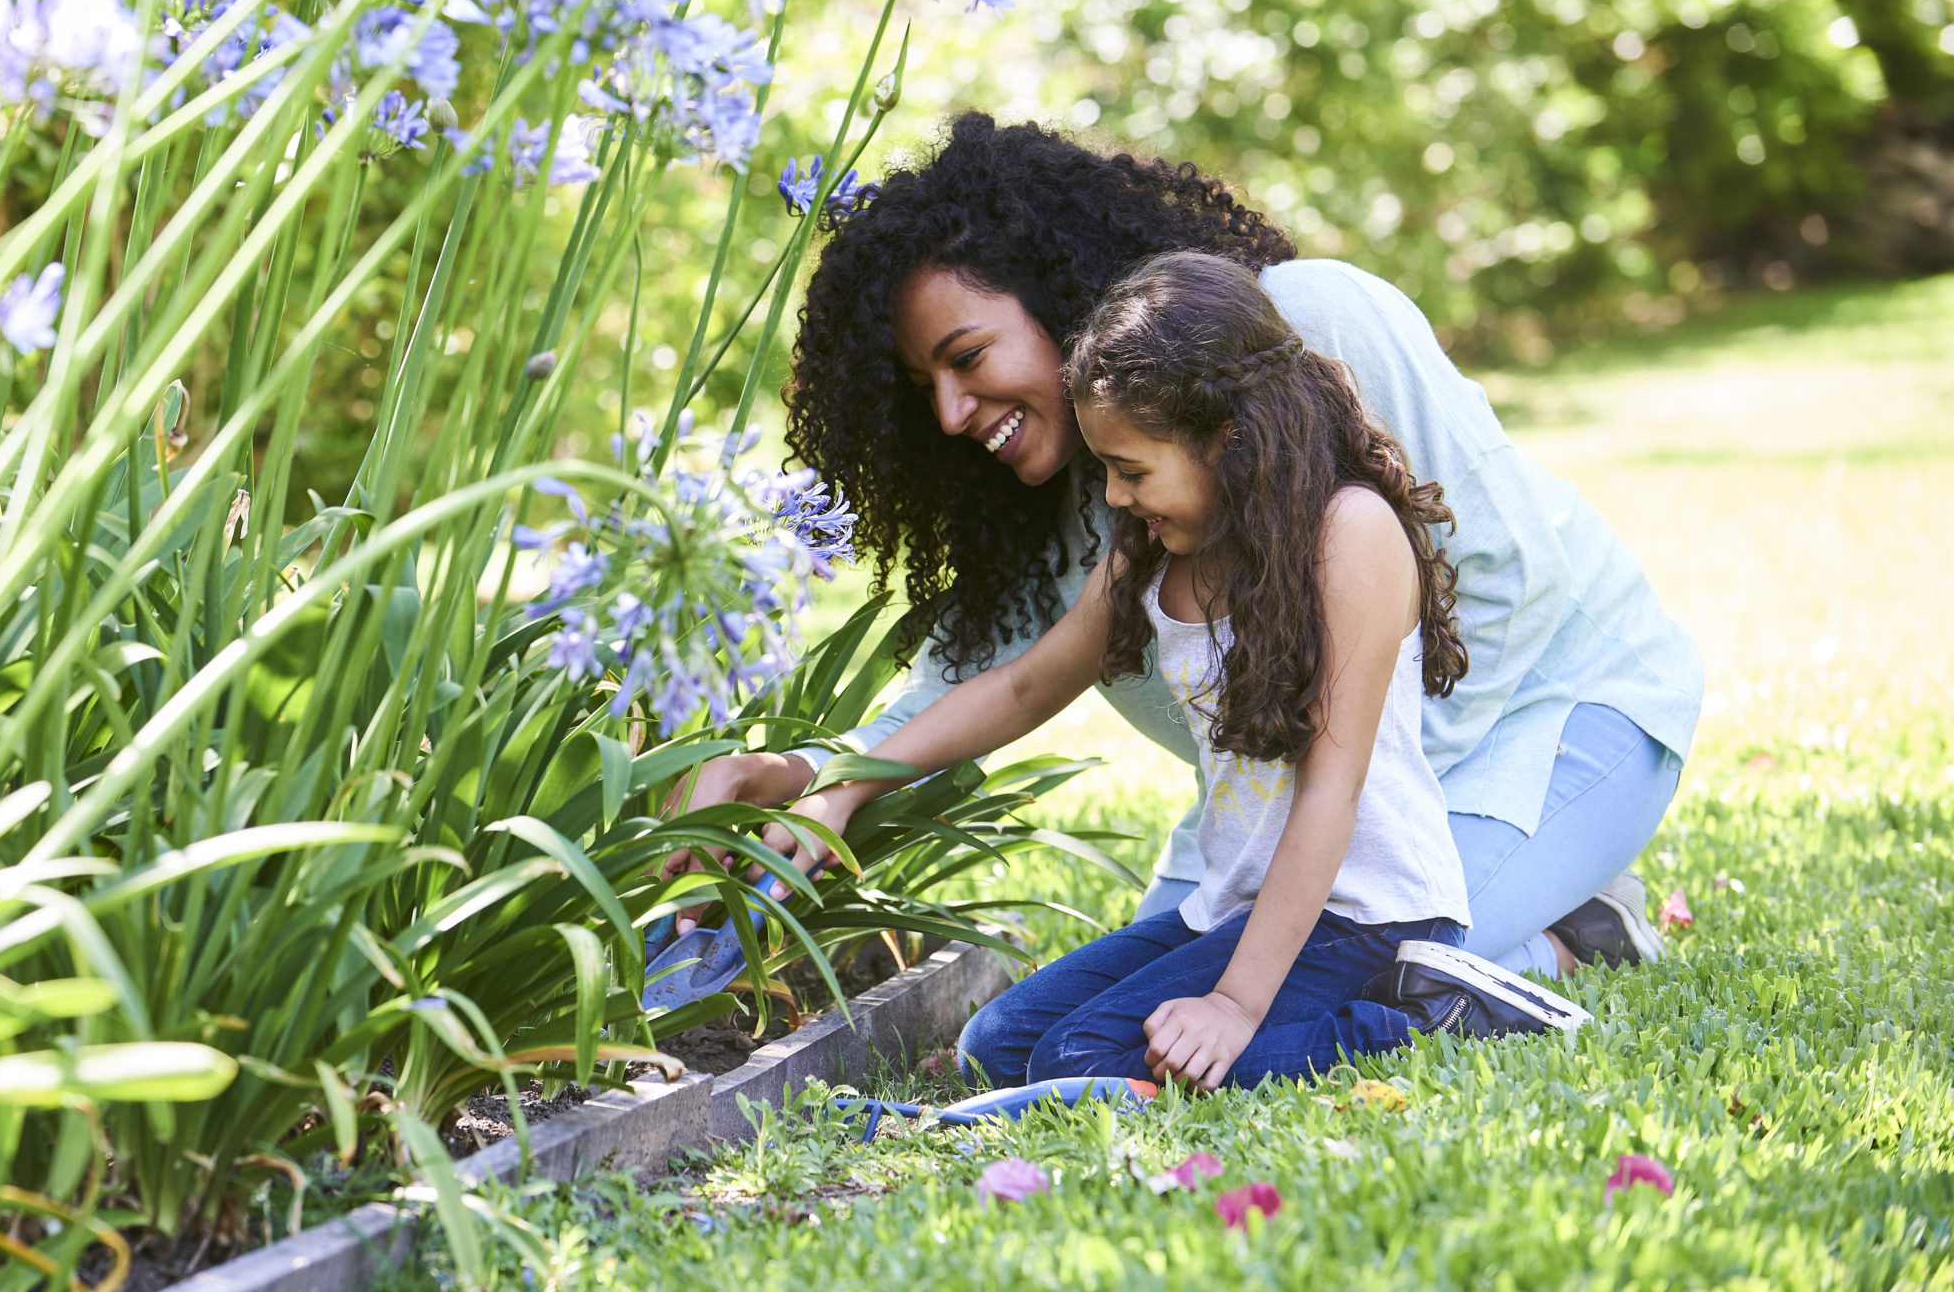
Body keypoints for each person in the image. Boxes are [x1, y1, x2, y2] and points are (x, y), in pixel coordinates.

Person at [665, 114, 1701, 981]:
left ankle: (1564, 932)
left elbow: (1515, 582)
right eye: (922, 387)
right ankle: (1534, 904)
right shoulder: (1085, 485)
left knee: (1335, 977)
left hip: (1556, 713)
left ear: (1054, 290)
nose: (947, 412)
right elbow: (983, 681)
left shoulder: (1308, 325)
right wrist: (810, 771)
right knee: (1162, 986)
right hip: (1295, 810)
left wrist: (1349, 823)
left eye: (967, 357)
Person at [817, 252, 1586, 1090]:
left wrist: (1235, 1004)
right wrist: (846, 779)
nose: (1112, 496)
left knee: (1080, 1059)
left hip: (1367, 916)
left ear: (1226, 437)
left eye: (1131, 470)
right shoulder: (1154, 548)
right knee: (997, 1045)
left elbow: (1332, 786)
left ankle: (1431, 1014)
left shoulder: (1349, 534)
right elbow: (1021, 685)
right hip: (1235, 905)